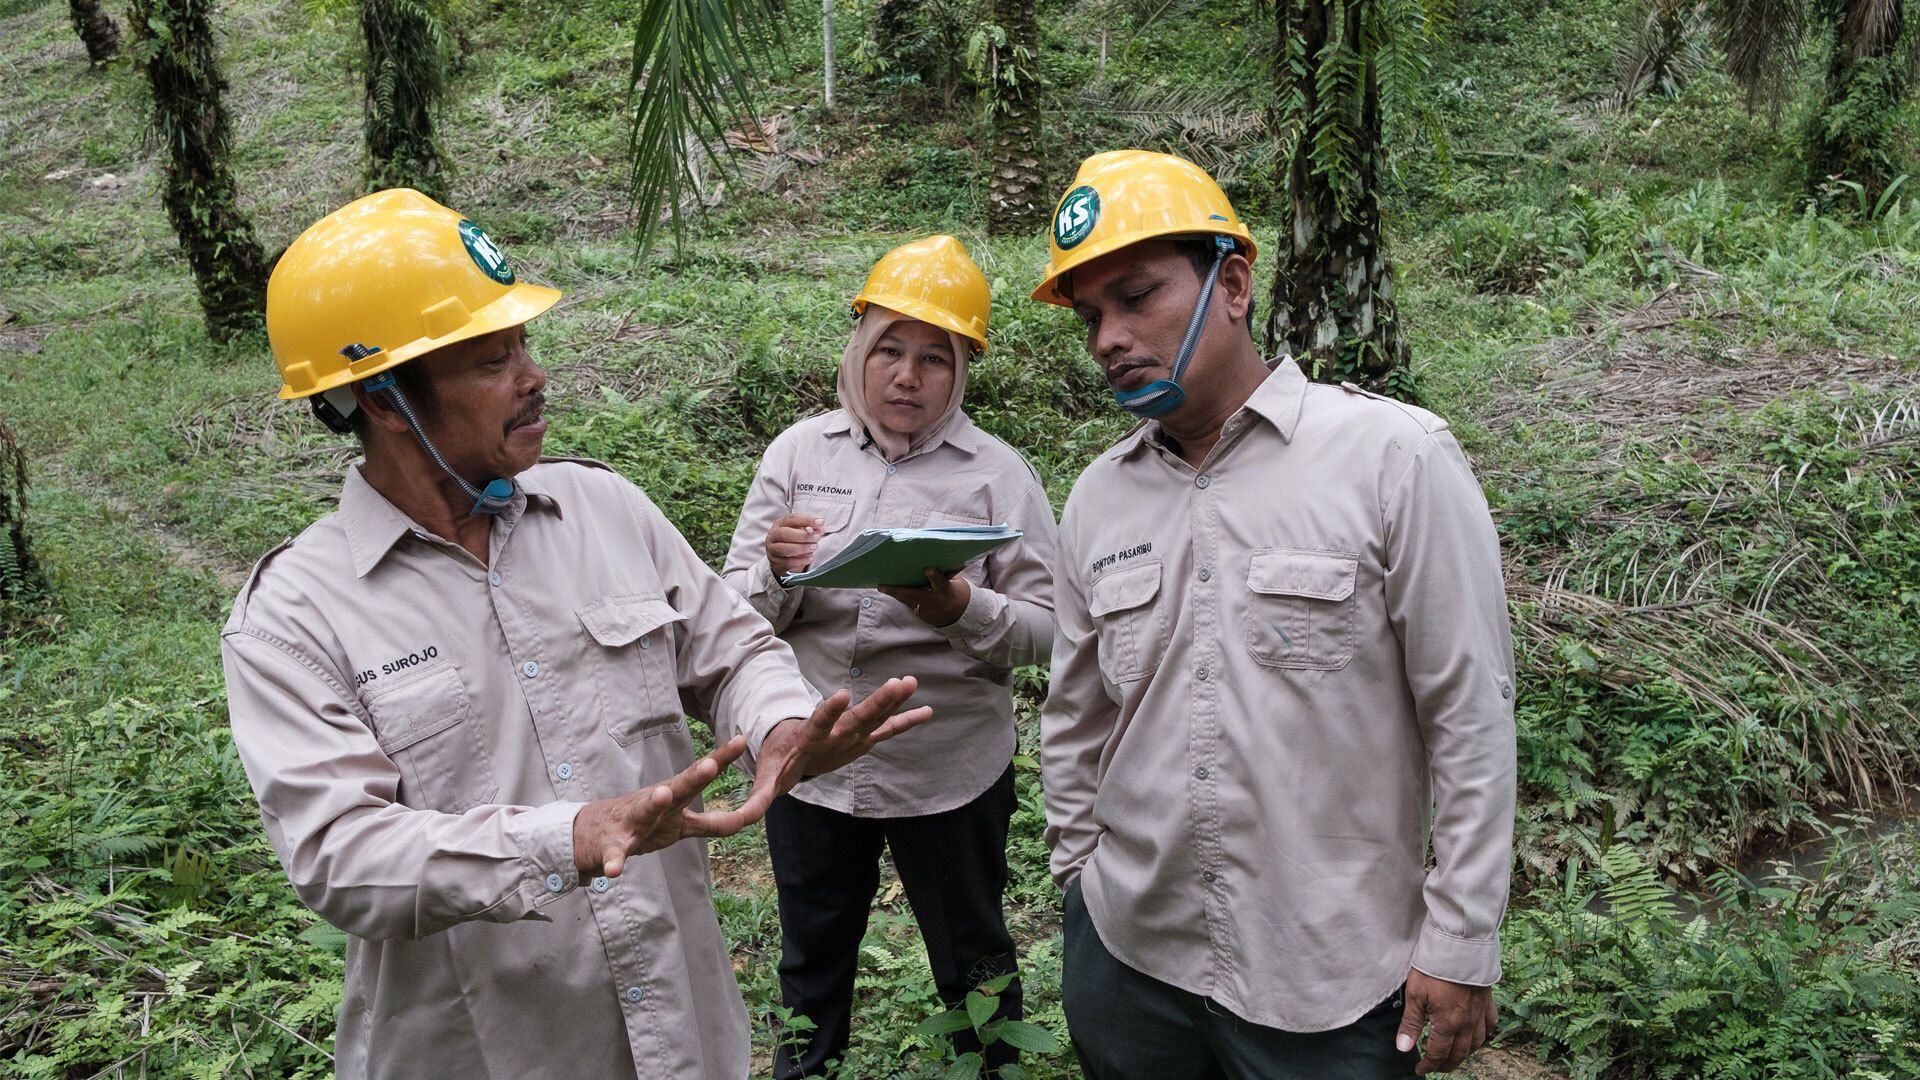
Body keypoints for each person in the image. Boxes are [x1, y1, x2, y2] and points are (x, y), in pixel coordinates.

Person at [221, 188, 932, 1080]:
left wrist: (783, 722)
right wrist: (565, 836)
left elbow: (734, 652)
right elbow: (341, 857)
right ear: (383, 399)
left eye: (524, 344)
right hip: (489, 1052)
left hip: (684, 1034)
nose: (533, 377)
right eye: (490, 360)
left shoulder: (606, 509)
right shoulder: (295, 615)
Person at [1032, 150, 1518, 1078]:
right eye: (1092, 316)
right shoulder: (1098, 498)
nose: (1109, 338)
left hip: (1330, 977)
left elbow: (1469, 712)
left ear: (1236, 284)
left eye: (1137, 297)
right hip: (1130, 956)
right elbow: (1076, 711)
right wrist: (1080, 879)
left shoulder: (1393, 459)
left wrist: (1459, 942)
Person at [721, 235, 1059, 1078]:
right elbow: (729, 613)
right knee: (812, 957)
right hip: (813, 754)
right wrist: (775, 568)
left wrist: (961, 609)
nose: (908, 378)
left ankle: (991, 1069)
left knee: (973, 958)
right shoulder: (800, 454)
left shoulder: (996, 474)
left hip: (947, 763)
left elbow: (1056, 629)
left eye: (936, 359)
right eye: (889, 352)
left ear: (964, 370)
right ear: (858, 351)